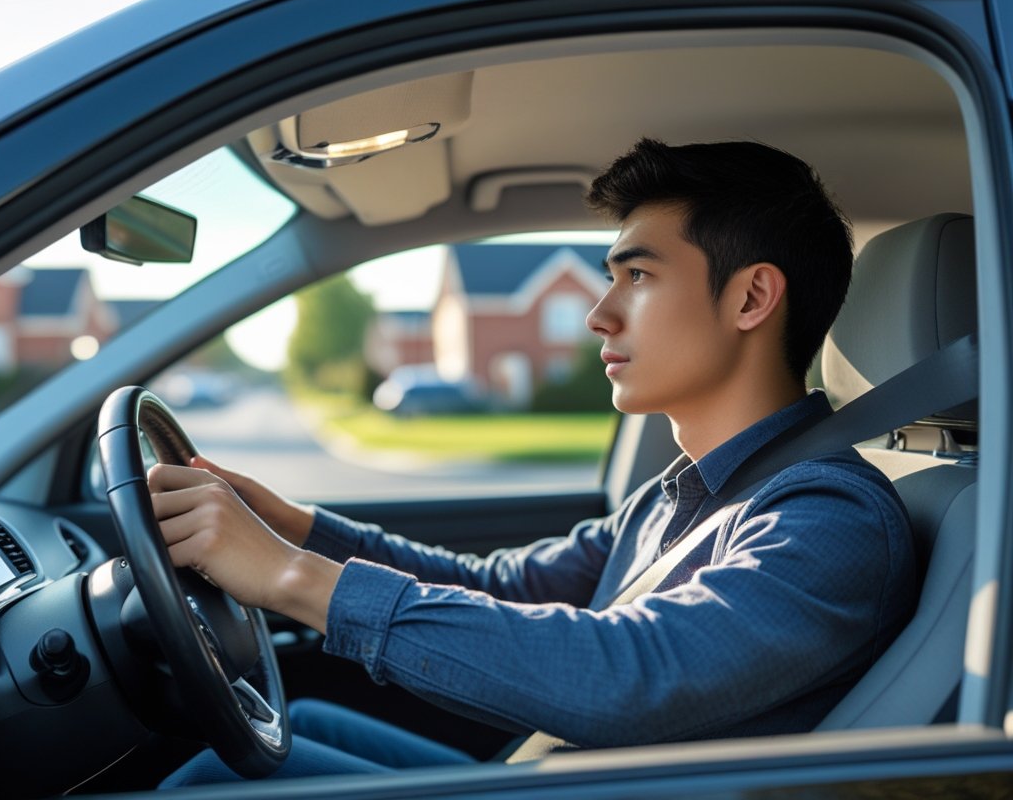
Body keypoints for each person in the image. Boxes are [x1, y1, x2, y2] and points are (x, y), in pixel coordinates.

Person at [151, 138, 916, 786]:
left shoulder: (830, 519)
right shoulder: (683, 496)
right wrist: (296, 530)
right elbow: (504, 588)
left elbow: (629, 676)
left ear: (751, 300)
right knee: (297, 727)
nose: (598, 313)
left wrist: (291, 578)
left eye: (637, 276)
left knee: (218, 775)